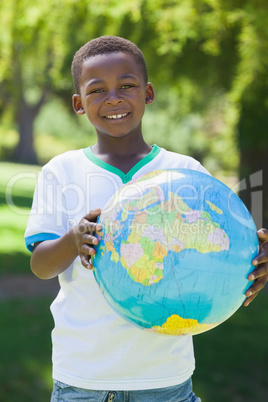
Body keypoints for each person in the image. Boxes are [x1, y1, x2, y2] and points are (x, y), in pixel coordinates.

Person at [25, 36, 268, 402]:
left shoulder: (186, 173)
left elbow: (216, 249)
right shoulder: (61, 171)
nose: (114, 99)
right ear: (78, 103)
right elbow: (41, 265)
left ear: (148, 93)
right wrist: (73, 241)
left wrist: (250, 261)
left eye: (127, 86)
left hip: (165, 380)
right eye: (97, 91)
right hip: (83, 379)